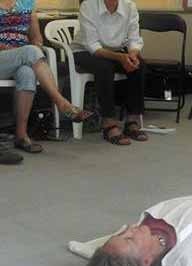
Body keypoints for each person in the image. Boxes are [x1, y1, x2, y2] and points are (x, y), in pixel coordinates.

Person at [0, 0, 93, 154]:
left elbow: (37, 39)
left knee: (27, 72)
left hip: (22, 57)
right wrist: (21, 50)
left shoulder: (27, 4)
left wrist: (34, 47)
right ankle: (60, 102)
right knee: (30, 52)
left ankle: (21, 136)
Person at [71, 0, 148, 146]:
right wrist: (120, 57)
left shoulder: (129, 6)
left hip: (117, 51)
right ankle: (109, 124)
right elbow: (93, 46)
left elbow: (134, 39)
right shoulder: (88, 5)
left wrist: (132, 54)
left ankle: (132, 120)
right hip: (84, 51)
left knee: (139, 65)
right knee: (104, 67)